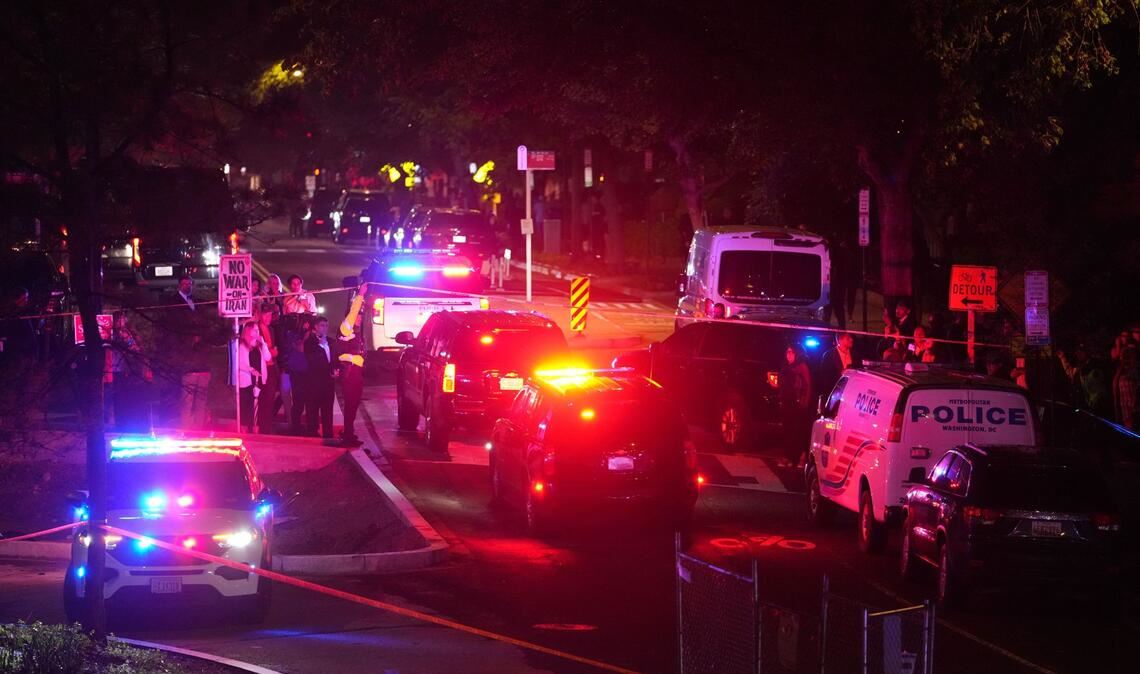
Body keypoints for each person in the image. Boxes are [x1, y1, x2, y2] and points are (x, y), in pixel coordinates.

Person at [169, 275, 211, 429]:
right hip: (187, 361)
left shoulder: (196, 302)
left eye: (190, 283)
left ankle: (198, 429)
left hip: (201, 362)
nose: (188, 286)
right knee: (187, 401)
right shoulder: (174, 303)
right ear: (179, 285)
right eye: (185, 283)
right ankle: (186, 429)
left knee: (201, 401)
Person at [107, 311, 152, 431]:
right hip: (118, 368)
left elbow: (134, 346)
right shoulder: (115, 333)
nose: (124, 320)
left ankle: (125, 420)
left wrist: (136, 348)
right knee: (118, 397)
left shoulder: (127, 332)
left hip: (127, 368)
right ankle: (119, 422)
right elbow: (127, 345)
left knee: (124, 397)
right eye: (121, 318)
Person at [336, 285, 367, 445]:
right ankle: (347, 435)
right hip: (349, 375)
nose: (360, 318)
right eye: (358, 316)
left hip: (357, 375)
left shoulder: (354, 333)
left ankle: (350, 432)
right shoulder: (345, 329)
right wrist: (360, 294)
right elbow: (341, 355)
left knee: (354, 405)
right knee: (349, 406)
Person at [778, 344, 813, 464]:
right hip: (787, 402)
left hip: (797, 404)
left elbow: (807, 386)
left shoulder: (801, 367)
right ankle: (788, 456)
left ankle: (800, 457)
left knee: (797, 431)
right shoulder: (785, 366)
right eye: (787, 352)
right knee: (787, 430)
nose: (789, 355)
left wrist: (803, 402)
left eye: (792, 352)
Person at [304, 316, 336, 438]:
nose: (325, 328)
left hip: (328, 382)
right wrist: (322, 346)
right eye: (322, 325)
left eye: (326, 325)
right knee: (313, 410)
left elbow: (334, 360)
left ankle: (328, 434)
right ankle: (312, 433)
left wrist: (335, 370)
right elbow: (312, 361)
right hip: (314, 383)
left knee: (327, 410)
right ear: (316, 327)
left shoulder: (331, 342)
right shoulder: (309, 343)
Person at [236, 321, 269, 433]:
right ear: (248, 331)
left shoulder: (259, 346)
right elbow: (240, 363)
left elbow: (268, 357)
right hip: (246, 380)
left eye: (258, 330)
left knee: (256, 406)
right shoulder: (242, 345)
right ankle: (244, 428)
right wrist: (251, 370)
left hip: (258, 380)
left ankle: (255, 428)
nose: (257, 332)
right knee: (246, 405)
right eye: (255, 330)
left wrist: (263, 343)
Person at [255, 303, 280, 434]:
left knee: (270, 399)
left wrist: (273, 352)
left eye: (270, 315)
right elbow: (258, 349)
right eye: (266, 315)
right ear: (260, 315)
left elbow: (274, 349)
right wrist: (272, 352)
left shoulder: (271, 329)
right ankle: (261, 426)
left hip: (271, 368)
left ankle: (267, 426)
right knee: (262, 399)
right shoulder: (255, 329)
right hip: (260, 368)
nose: (268, 317)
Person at [819, 331, 855, 396]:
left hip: (851, 391)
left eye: (850, 337)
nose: (851, 339)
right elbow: (825, 376)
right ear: (839, 341)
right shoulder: (829, 355)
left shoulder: (854, 354)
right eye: (848, 338)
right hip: (835, 392)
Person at [1115, 345, 1139, 430]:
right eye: (1124, 355)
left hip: (1135, 414)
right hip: (1126, 414)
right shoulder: (1120, 372)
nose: (1125, 357)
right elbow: (1117, 393)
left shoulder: (1136, 371)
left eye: (1128, 354)